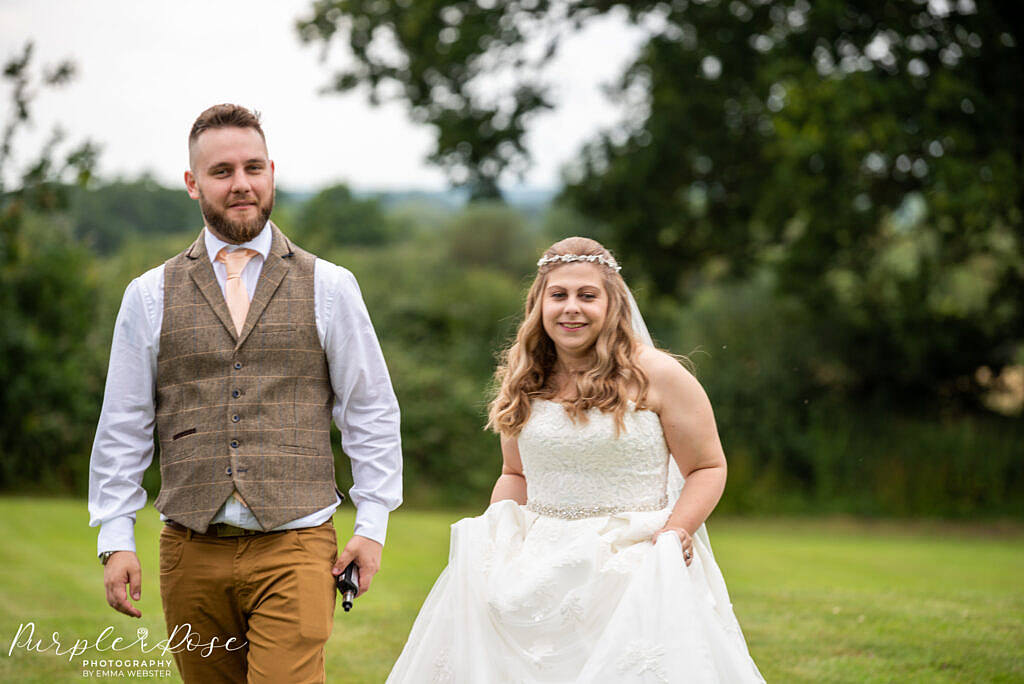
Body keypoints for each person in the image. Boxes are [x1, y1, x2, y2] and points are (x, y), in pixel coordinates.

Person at [88, 104, 403, 683]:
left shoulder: (330, 285)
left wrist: (372, 523)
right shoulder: (148, 294)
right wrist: (116, 538)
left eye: (253, 168)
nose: (241, 184)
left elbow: (370, 410)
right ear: (192, 183)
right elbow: (124, 424)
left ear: (272, 172)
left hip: (297, 544)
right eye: (222, 171)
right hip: (189, 551)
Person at [387, 237, 764, 682]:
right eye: (559, 295)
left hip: (633, 559)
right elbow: (515, 474)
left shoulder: (658, 374)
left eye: (587, 296)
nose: (572, 308)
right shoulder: (524, 378)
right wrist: (495, 539)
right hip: (538, 560)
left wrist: (677, 532)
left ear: (613, 304)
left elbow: (707, 467)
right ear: (539, 303)